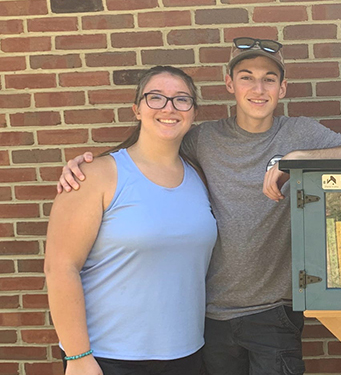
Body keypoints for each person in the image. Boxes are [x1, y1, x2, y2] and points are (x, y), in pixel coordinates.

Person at [58, 38, 341, 375]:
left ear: (283, 88)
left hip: (274, 312)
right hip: (209, 316)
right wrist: (88, 166)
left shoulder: (299, 133)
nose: (258, 88)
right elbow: (152, 145)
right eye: (246, 77)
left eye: (269, 79)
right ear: (229, 84)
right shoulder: (204, 139)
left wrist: (297, 159)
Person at [45, 66, 218, 375]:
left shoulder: (200, 177)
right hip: (109, 358)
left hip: (188, 354)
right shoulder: (96, 176)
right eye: (156, 98)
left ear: (193, 113)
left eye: (182, 99)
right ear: (136, 109)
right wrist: (78, 356)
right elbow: (60, 268)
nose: (169, 107)